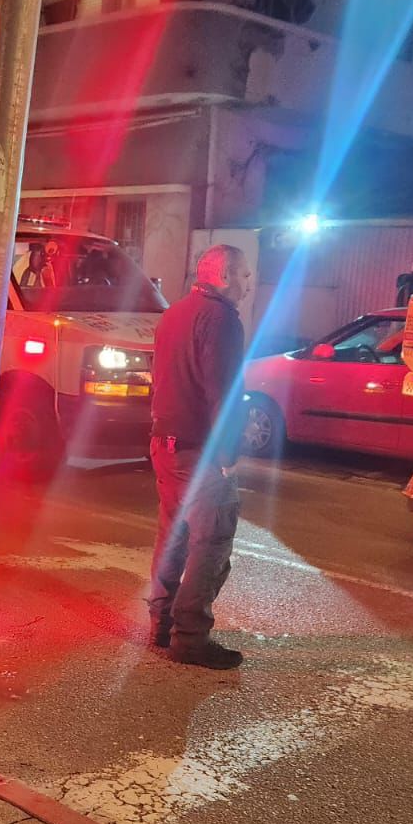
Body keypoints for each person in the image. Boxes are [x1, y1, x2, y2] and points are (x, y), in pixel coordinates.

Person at [147, 244, 252, 670]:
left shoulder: (174, 313)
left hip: (166, 444)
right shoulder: (222, 319)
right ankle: (190, 637)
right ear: (224, 276)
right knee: (211, 543)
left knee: (172, 536)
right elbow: (223, 392)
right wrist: (228, 453)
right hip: (201, 452)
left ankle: (161, 622)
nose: (248, 284)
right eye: (244, 275)